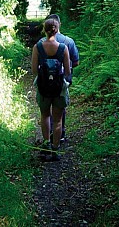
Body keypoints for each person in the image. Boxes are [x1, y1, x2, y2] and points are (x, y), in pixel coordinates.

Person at [32, 17, 71, 161]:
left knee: (45, 115)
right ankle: (55, 150)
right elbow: (67, 71)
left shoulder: (38, 47)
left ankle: (46, 143)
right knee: (58, 119)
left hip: (43, 87)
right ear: (57, 29)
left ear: (44, 30)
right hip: (59, 88)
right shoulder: (63, 48)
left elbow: (34, 70)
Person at [46, 14, 79, 141]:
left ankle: (47, 135)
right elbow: (75, 62)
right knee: (60, 108)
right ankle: (60, 134)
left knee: (46, 109)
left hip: (45, 81)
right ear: (59, 24)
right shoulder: (69, 42)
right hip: (63, 80)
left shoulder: (41, 43)